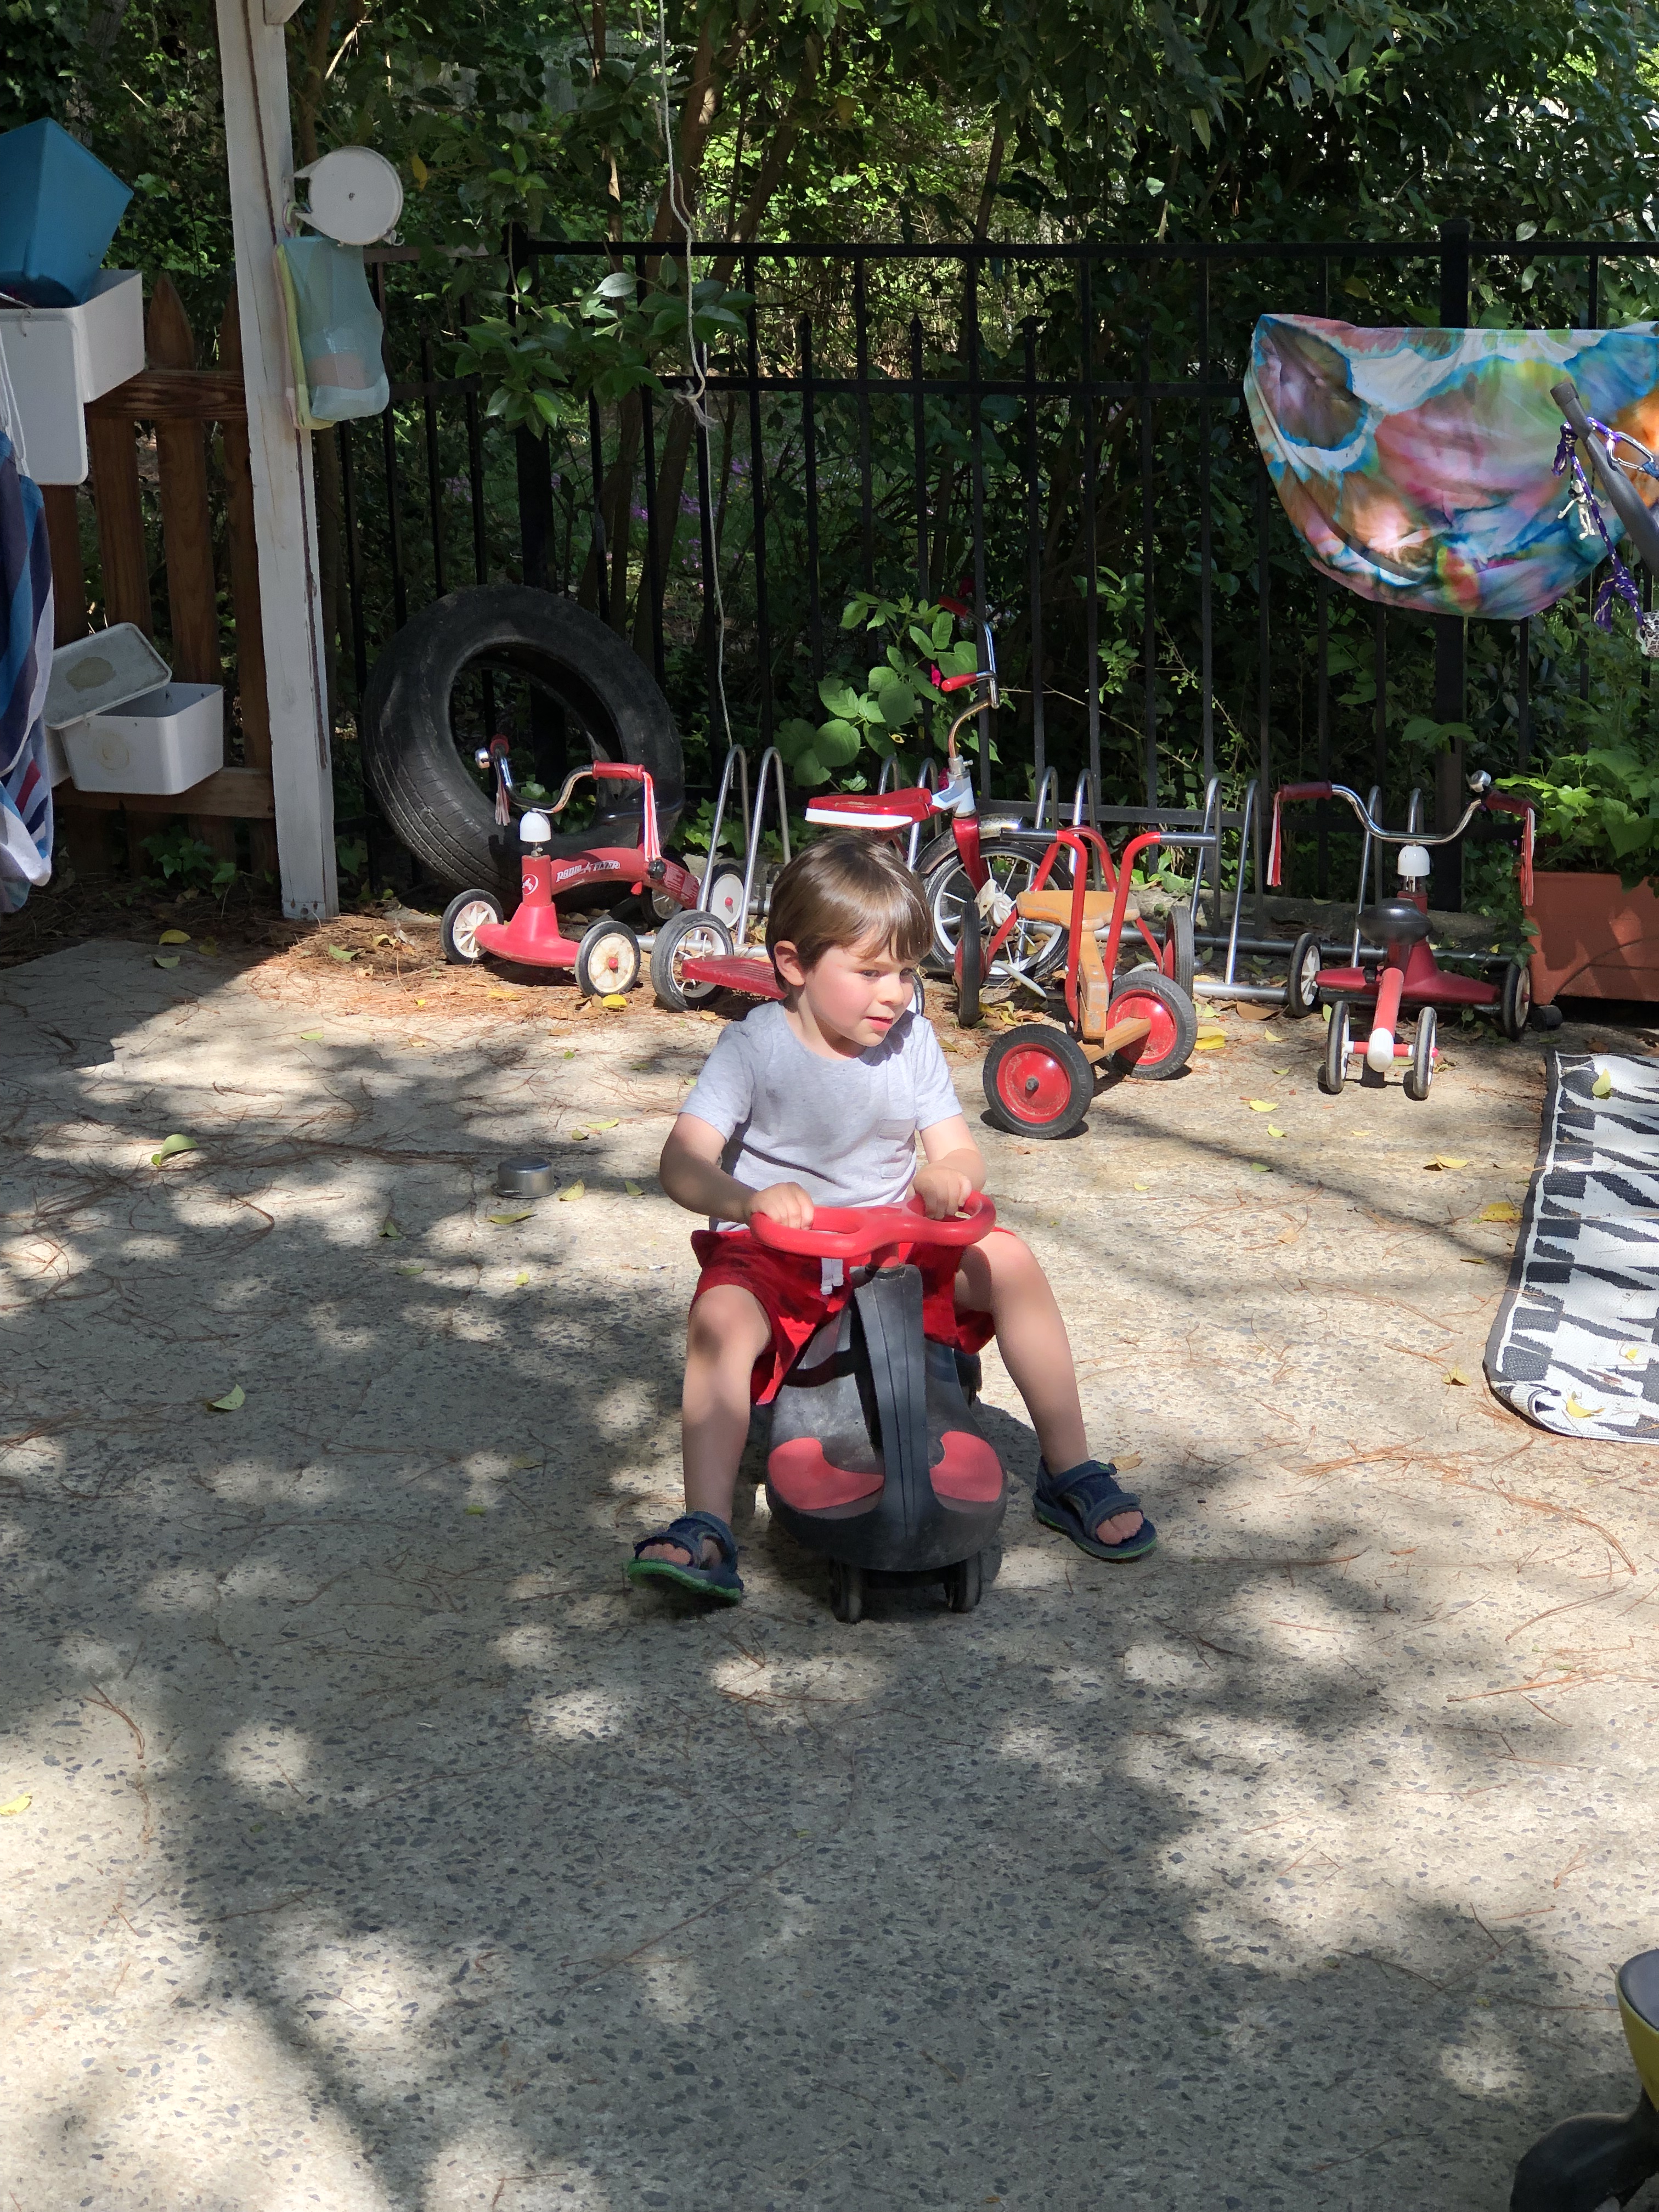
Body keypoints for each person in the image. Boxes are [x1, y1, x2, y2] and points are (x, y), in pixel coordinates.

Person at [625, 832, 1156, 1603]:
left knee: (1009, 1261)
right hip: (783, 1256)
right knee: (721, 1319)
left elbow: (960, 1153)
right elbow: (681, 1163)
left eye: (906, 971)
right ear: (794, 965)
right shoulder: (753, 1049)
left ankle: (1070, 1469)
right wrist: (745, 1202)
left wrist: (949, 1177)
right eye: (871, 972)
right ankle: (706, 1522)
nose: (897, 994)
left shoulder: (911, 1044)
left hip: (892, 1252)